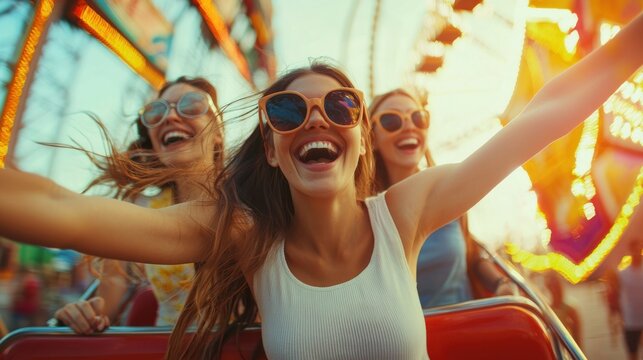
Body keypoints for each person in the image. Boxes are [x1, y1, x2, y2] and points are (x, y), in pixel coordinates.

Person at [0, 13, 640, 359]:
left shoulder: (405, 212)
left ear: (360, 140)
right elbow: (60, 209)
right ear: (274, 151)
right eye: (286, 111)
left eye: (340, 107)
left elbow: (544, 114)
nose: (314, 118)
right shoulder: (245, 235)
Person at [53, 76, 224, 334]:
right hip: (163, 348)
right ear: (153, 144)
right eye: (155, 112)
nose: (170, 117)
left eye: (191, 105)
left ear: (218, 133)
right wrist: (85, 314)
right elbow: (109, 292)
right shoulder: (140, 211)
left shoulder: (254, 202)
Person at [369, 88, 516, 308]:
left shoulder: (449, 193)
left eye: (418, 118)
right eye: (391, 120)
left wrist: (501, 283)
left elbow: (471, 254)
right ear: (370, 137)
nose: (409, 126)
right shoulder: (364, 213)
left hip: (465, 329)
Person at [608, 239, 643, 360]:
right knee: (633, 355)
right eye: (635, 249)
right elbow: (614, 296)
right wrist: (614, 319)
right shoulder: (623, 274)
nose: (638, 252)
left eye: (640, 249)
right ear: (631, 251)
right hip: (630, 322)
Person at [544, 271, 582, 348]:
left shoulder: (570, 309)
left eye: (557, 286)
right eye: (553, 287)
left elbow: (577, 337)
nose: (555, 290)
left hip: (567, 348)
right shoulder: (547, 309)